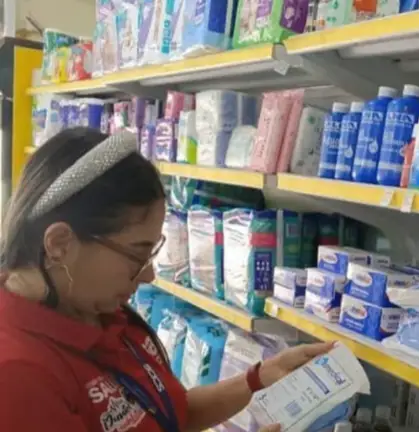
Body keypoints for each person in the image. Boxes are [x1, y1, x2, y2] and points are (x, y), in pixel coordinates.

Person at [0, 128, 334, 431]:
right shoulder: (17, 376)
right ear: (60, 244)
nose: (148, 275)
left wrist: (258, 379)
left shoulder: (95, 308)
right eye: (137, 253)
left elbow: (168, 414)